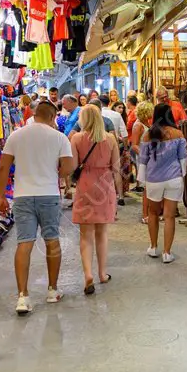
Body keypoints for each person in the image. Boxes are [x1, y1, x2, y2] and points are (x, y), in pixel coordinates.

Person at [0, 100, 75, 314]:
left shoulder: (16, 135)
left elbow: (4, 166)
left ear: (34, 114)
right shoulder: (59, 137)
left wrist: (1, 196)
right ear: (52, 117)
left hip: (22, 196)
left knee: (24, 243)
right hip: (48, 194)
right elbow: (68, 167)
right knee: (52, 241)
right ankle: (52, 290)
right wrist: (55, 173)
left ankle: (23, 297)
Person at [69, 105, 121, 295]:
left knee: (85, 235)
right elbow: (116, 168)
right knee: (102, 233)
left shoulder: (76, 138)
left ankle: (88, 274)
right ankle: (102, 273)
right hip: (105, 186)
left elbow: (73, 166)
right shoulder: (110, 139)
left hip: (85, 186)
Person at [139, 103, 187, 263]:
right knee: (169, 216)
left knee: (153, 213)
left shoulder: (148, 135)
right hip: (173, 179)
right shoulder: (178, 134)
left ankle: (153, 247)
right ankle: (167, 253)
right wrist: (183, 175)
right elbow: (183, 157)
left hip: (154, 180)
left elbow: (143, 159)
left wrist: (141, 179)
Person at [131, 100, 153, 219]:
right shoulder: (138, 125)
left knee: (150, 187)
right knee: (147, 188)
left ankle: (150, 213)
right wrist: (145, 155)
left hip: (149, 157)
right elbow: (134, 145)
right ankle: (145, 215)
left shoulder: (145, 123)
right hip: (145, 159)